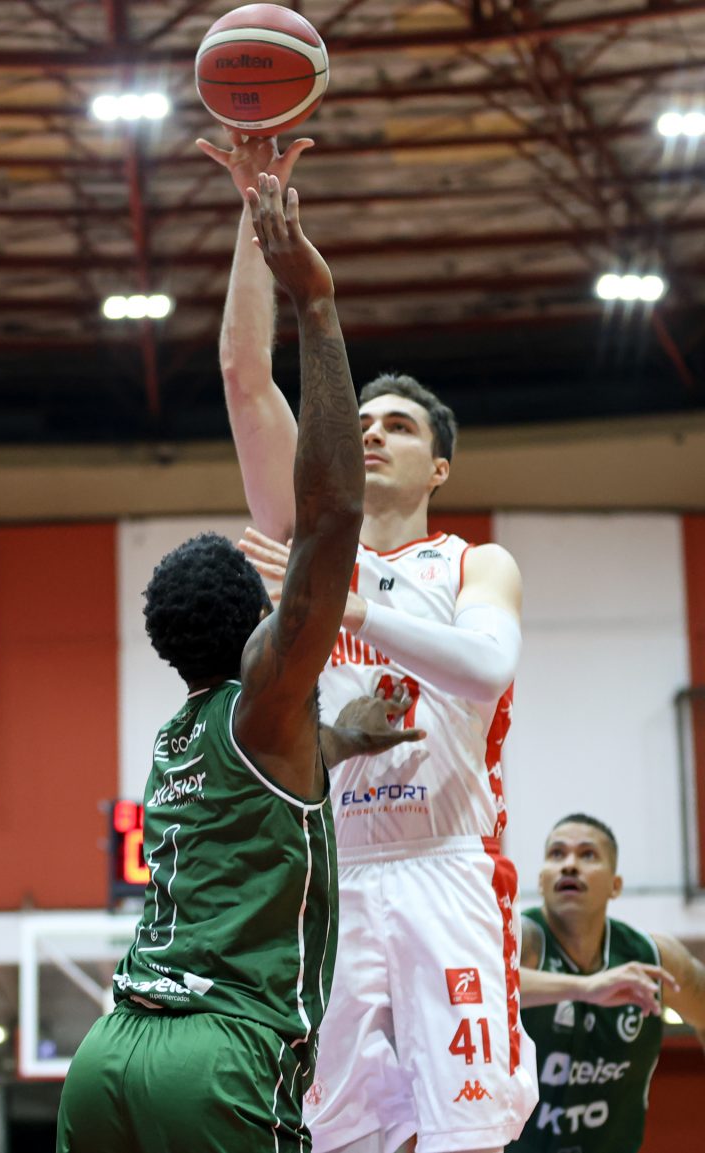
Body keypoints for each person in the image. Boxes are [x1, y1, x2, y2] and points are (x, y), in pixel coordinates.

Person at [56, 174, 423, 1153]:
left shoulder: (180, 738)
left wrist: (345, 740)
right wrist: (317, 304)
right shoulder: (267, 692)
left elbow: (268, 779)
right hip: (218, 1055)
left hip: (110, 1055)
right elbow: (332, 518)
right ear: (263, 623)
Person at [197, 129, 538, 1153]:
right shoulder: (310, 544)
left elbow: (487, 667)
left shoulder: (474, 563)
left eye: (400, 425)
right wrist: (257, 212)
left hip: (447, 866)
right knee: (333, 1137)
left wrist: (352, 606)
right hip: (334, 877)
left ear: (439, 468)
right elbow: (244, 373)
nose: (375, 431)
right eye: (366, 420)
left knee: (467, 1135)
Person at [510, 812, 705, 1153]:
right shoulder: (521, 943)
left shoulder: (652, 959)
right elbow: (484, 986)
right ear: (541, 881)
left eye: (587, 854)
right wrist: (586, 987)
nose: (569, 865)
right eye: (557, 854)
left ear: (616, 885)